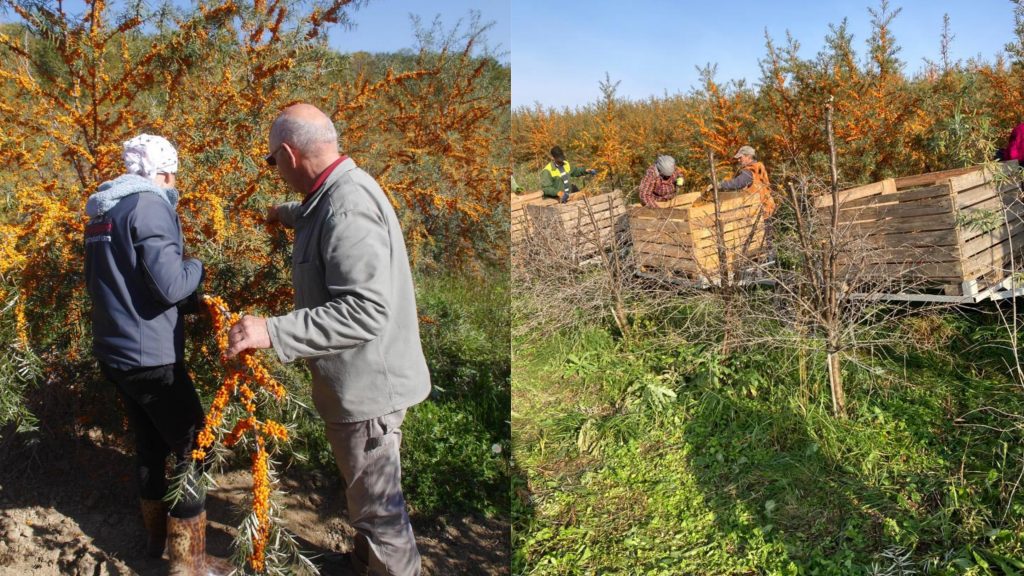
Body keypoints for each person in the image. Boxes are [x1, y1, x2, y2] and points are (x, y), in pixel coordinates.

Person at [225, 104, 431, 576]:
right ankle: (365, 564)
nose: (274, 171)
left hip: (369, 391)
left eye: (272, 162)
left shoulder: (346, 206)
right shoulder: (335, 193)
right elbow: (324, 221)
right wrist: (285, 214)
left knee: (380, 513)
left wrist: (270, 330)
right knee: (365, 497)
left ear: (289, 154)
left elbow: (366, 310)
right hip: (361, 386)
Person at [84, 134, 230, 575]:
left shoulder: (103, 209)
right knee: (194, 447)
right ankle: (189, 562)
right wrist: (198, 267)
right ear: (162, 172)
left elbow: (105, 280)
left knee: (149, 443)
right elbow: (169, 284)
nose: (175, 185)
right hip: (151, 357)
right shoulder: (150, 205)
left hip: (115, 352)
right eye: (174, 176)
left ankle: (154, 541)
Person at [714, 145, 774, 216]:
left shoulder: (749, 172)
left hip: (759, 210)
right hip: (766, 206)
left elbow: (737, 183)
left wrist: (720, 185)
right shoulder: (758, 168)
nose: (738, 160)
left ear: (748, 157)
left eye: (740, 157)